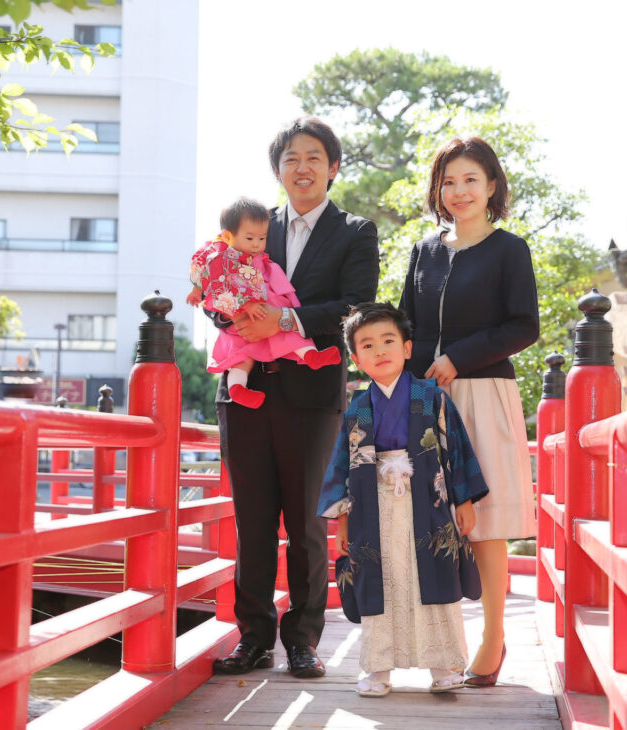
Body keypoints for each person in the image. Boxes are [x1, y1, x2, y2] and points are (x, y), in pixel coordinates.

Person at [211, 117, 380, 678]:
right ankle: (253, 636)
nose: (301, 168)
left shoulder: (356, 231)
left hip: (311, 393)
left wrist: (283, 318)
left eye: (313, 158)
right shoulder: (254, 225)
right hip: (247, 392)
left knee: (307, 523)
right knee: (252, 519)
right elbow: (219, 285)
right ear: (277, 170)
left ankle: (303, 640)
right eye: (290, 159)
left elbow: (356, 307)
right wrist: (234, 316)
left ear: (332, 168)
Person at [399, 136, 539, 687]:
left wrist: (459, 356)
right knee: (431, 521)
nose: (458, 191)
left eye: (470, 180)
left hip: (482, 392)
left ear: (492, 186)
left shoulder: (510, 250)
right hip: (426, 399)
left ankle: (493, 636)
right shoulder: (424, 251)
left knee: (483, 520)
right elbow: (407, 325)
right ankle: (440, 644)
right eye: (448, 181)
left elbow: (523, 326)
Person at [317, 303, 488, 697]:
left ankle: (445, 664)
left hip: (428, 498)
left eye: (388, 340)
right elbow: (341, 465)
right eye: (367, 345)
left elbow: (454, 449)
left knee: (433, 577)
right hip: (371, 504)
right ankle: (378, 668)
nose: (380, 350)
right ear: (355, 358)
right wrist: (342, 520)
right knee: (383, 580)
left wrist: (463, 501)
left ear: (408, 348)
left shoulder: (432, 397)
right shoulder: (357, 408)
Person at [187, 197, 342, 409]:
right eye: (250, 239)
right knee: (241, 356)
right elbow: (213, 282)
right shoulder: (221, 259)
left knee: (287, 331)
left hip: (269, 314)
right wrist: (201, 292)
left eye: (262, 239)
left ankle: (311, 355)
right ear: (227, 236)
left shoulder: (254, 249)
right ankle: (237, 389)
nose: (257, 245)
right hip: (239, 320)